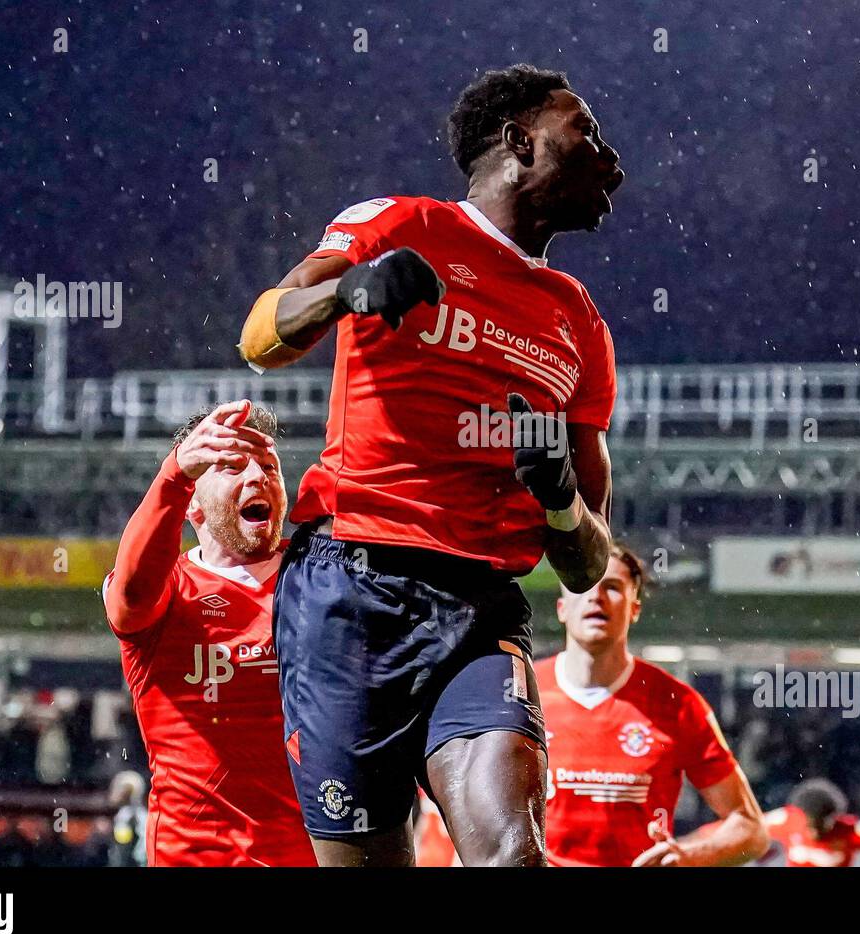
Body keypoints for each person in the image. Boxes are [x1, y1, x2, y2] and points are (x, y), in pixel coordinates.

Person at [238, 64, 624, 866]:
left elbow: (588, 564)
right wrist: (348, 294)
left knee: (512, 858)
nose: (611, 160)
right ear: (520, 142)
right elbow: (261, 340)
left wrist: (557, 499)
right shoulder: (399, 223)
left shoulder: (579, 322)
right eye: (584, 132)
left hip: (481, 609)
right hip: (350, 590)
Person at [103, 400, 315, 866]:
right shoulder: (169, 590)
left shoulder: (321, 577)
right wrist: (173, 474)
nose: (256, 476)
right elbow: (130, 597)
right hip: (196, 857)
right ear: (192, 503)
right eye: (232, 466)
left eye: (267, 465)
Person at [536, 543, 768, 866]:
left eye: (613, 587)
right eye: (582, 587)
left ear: (635, 608)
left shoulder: (678, 703)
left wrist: (689, 856)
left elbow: (752, 829)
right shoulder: (524, 697)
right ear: (561, 608)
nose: (595, 597)